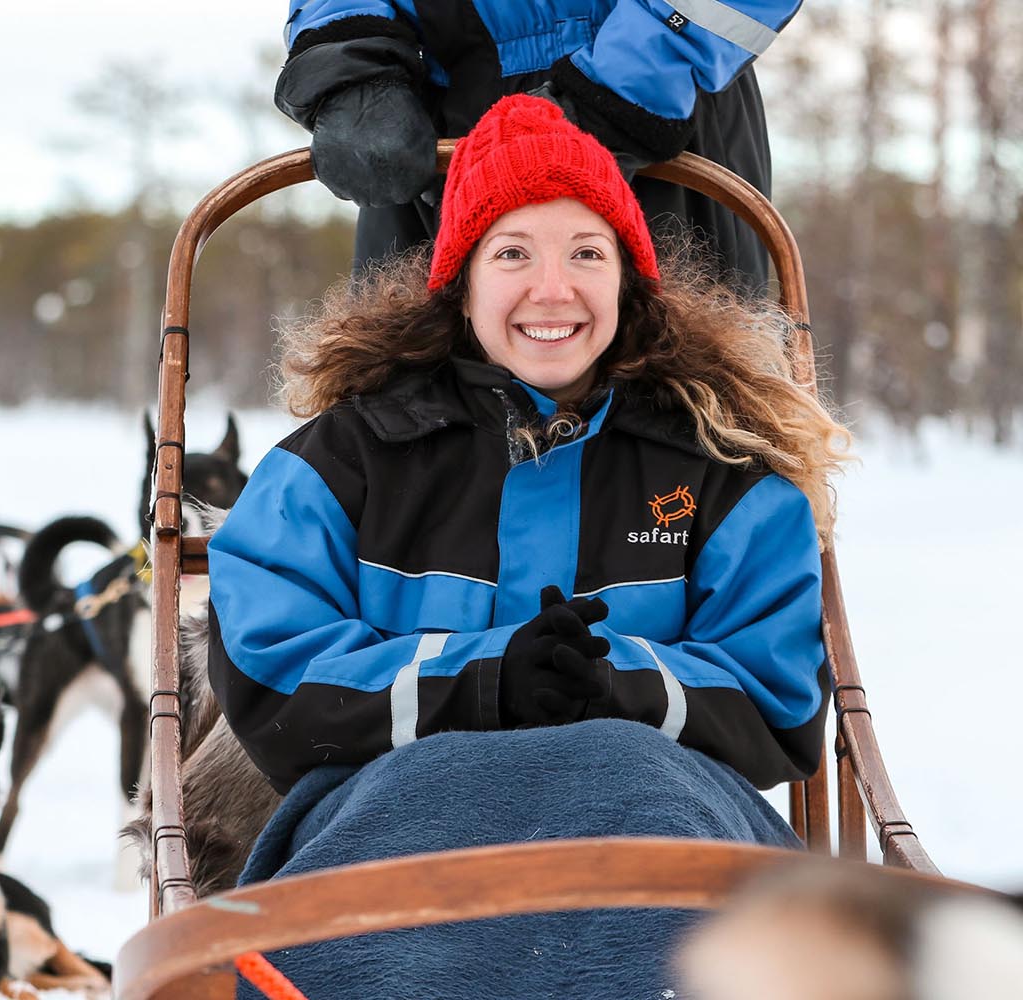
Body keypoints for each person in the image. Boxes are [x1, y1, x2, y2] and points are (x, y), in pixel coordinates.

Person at [207, 95, 851, 998]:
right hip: (391, 838)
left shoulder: (724, 475)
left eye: (587, 253)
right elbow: (273, 676)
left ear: (628, 279)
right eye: (513, 253)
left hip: (663, 832)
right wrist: (482, 683)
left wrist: (616, 684)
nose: (554, 290)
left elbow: (778, 700)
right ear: (459, 283)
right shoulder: (344, 463)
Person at [274, 0, 795, 292]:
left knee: (685, 414)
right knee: (405, 427)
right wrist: (349, 57)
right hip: (430, 131)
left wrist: (619, 92)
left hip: (653, 115)